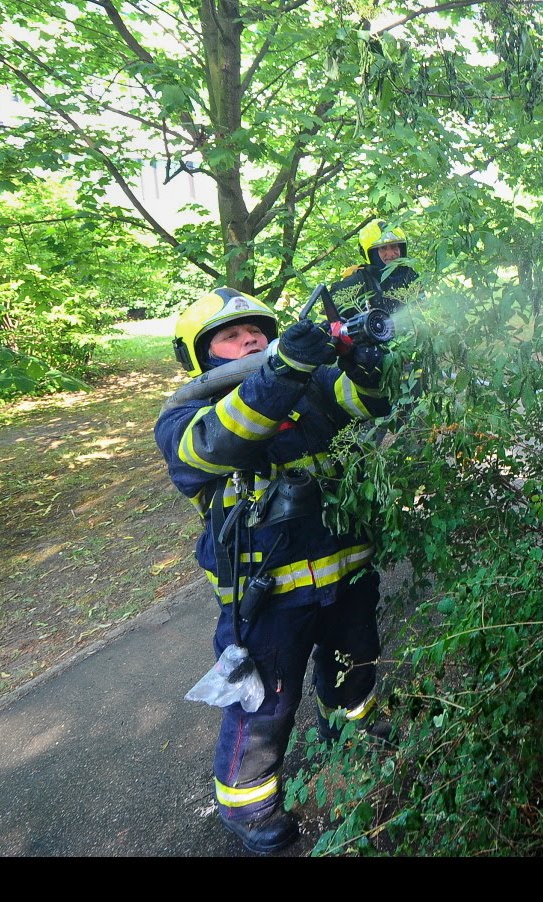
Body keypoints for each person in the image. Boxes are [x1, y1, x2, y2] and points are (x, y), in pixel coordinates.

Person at [156, 287, 390, 853]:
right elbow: (216, 446)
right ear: (202, 355)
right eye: (231, 336)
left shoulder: (309, 386)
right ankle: (249, 807)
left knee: (354, 666)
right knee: (264, 703)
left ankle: (351, 735)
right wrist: (280, 372)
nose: (250, 340)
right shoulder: (187, 414)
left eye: (256, 330)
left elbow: (366, 405)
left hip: (348, 573)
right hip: (269, 597)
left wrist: (362, 368)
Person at [329, 218, 419, 316]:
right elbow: (329, 317)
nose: (391, 254)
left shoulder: (410, 276)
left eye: (394, 246)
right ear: (371, 253)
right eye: (383, 248)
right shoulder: (357, 282)